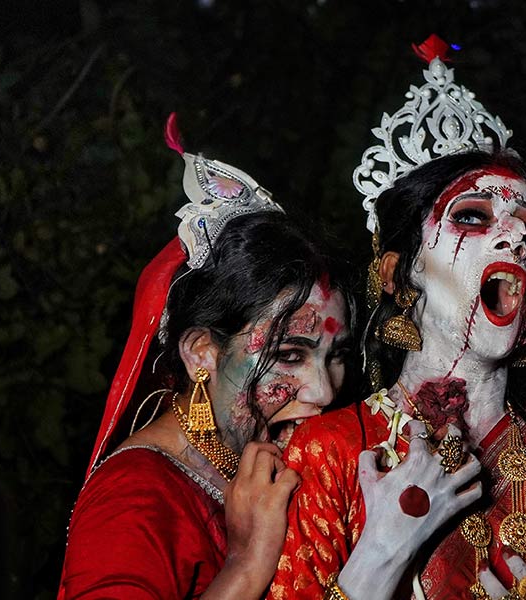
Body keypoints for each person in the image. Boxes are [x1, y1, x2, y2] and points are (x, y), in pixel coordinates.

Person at [269, 36, 526, 600]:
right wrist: (383, 552)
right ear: (398, 274)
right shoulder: (336, 452)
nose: (516, 234)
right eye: (472, 216)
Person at [59, 115, 355, 599]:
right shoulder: (135, 498)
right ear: (202, 354)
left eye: (335, 355)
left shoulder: (260, 469)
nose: (324, 391)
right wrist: (245, 565)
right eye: (289, 354)